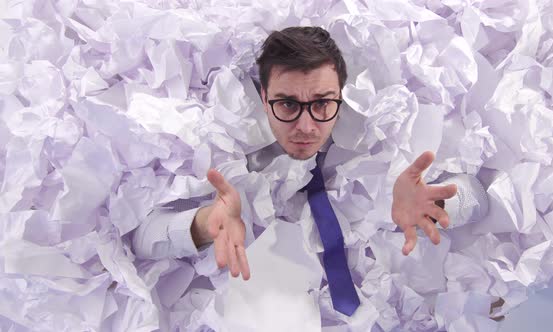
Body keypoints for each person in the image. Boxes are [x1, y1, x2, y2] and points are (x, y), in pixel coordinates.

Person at [131, 26, 489, 317]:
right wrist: (204, 223)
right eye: (287, 104)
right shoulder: (228, 160)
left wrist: (439, 206)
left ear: (340, 97)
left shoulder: (380, 142)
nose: (306, 125)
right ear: (263, 96)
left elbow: (479, 199)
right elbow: (141, 240)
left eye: (321, 104)